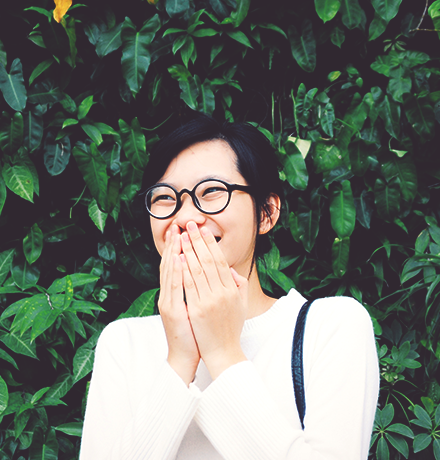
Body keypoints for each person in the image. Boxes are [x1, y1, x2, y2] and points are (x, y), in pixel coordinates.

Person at [79, 116, 380, 459]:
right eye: (165, 197)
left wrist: (222, 352)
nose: (184, 217)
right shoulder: (124, 344)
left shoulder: (330, 327)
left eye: (211, 192)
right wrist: (179, 362)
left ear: (266, 213)